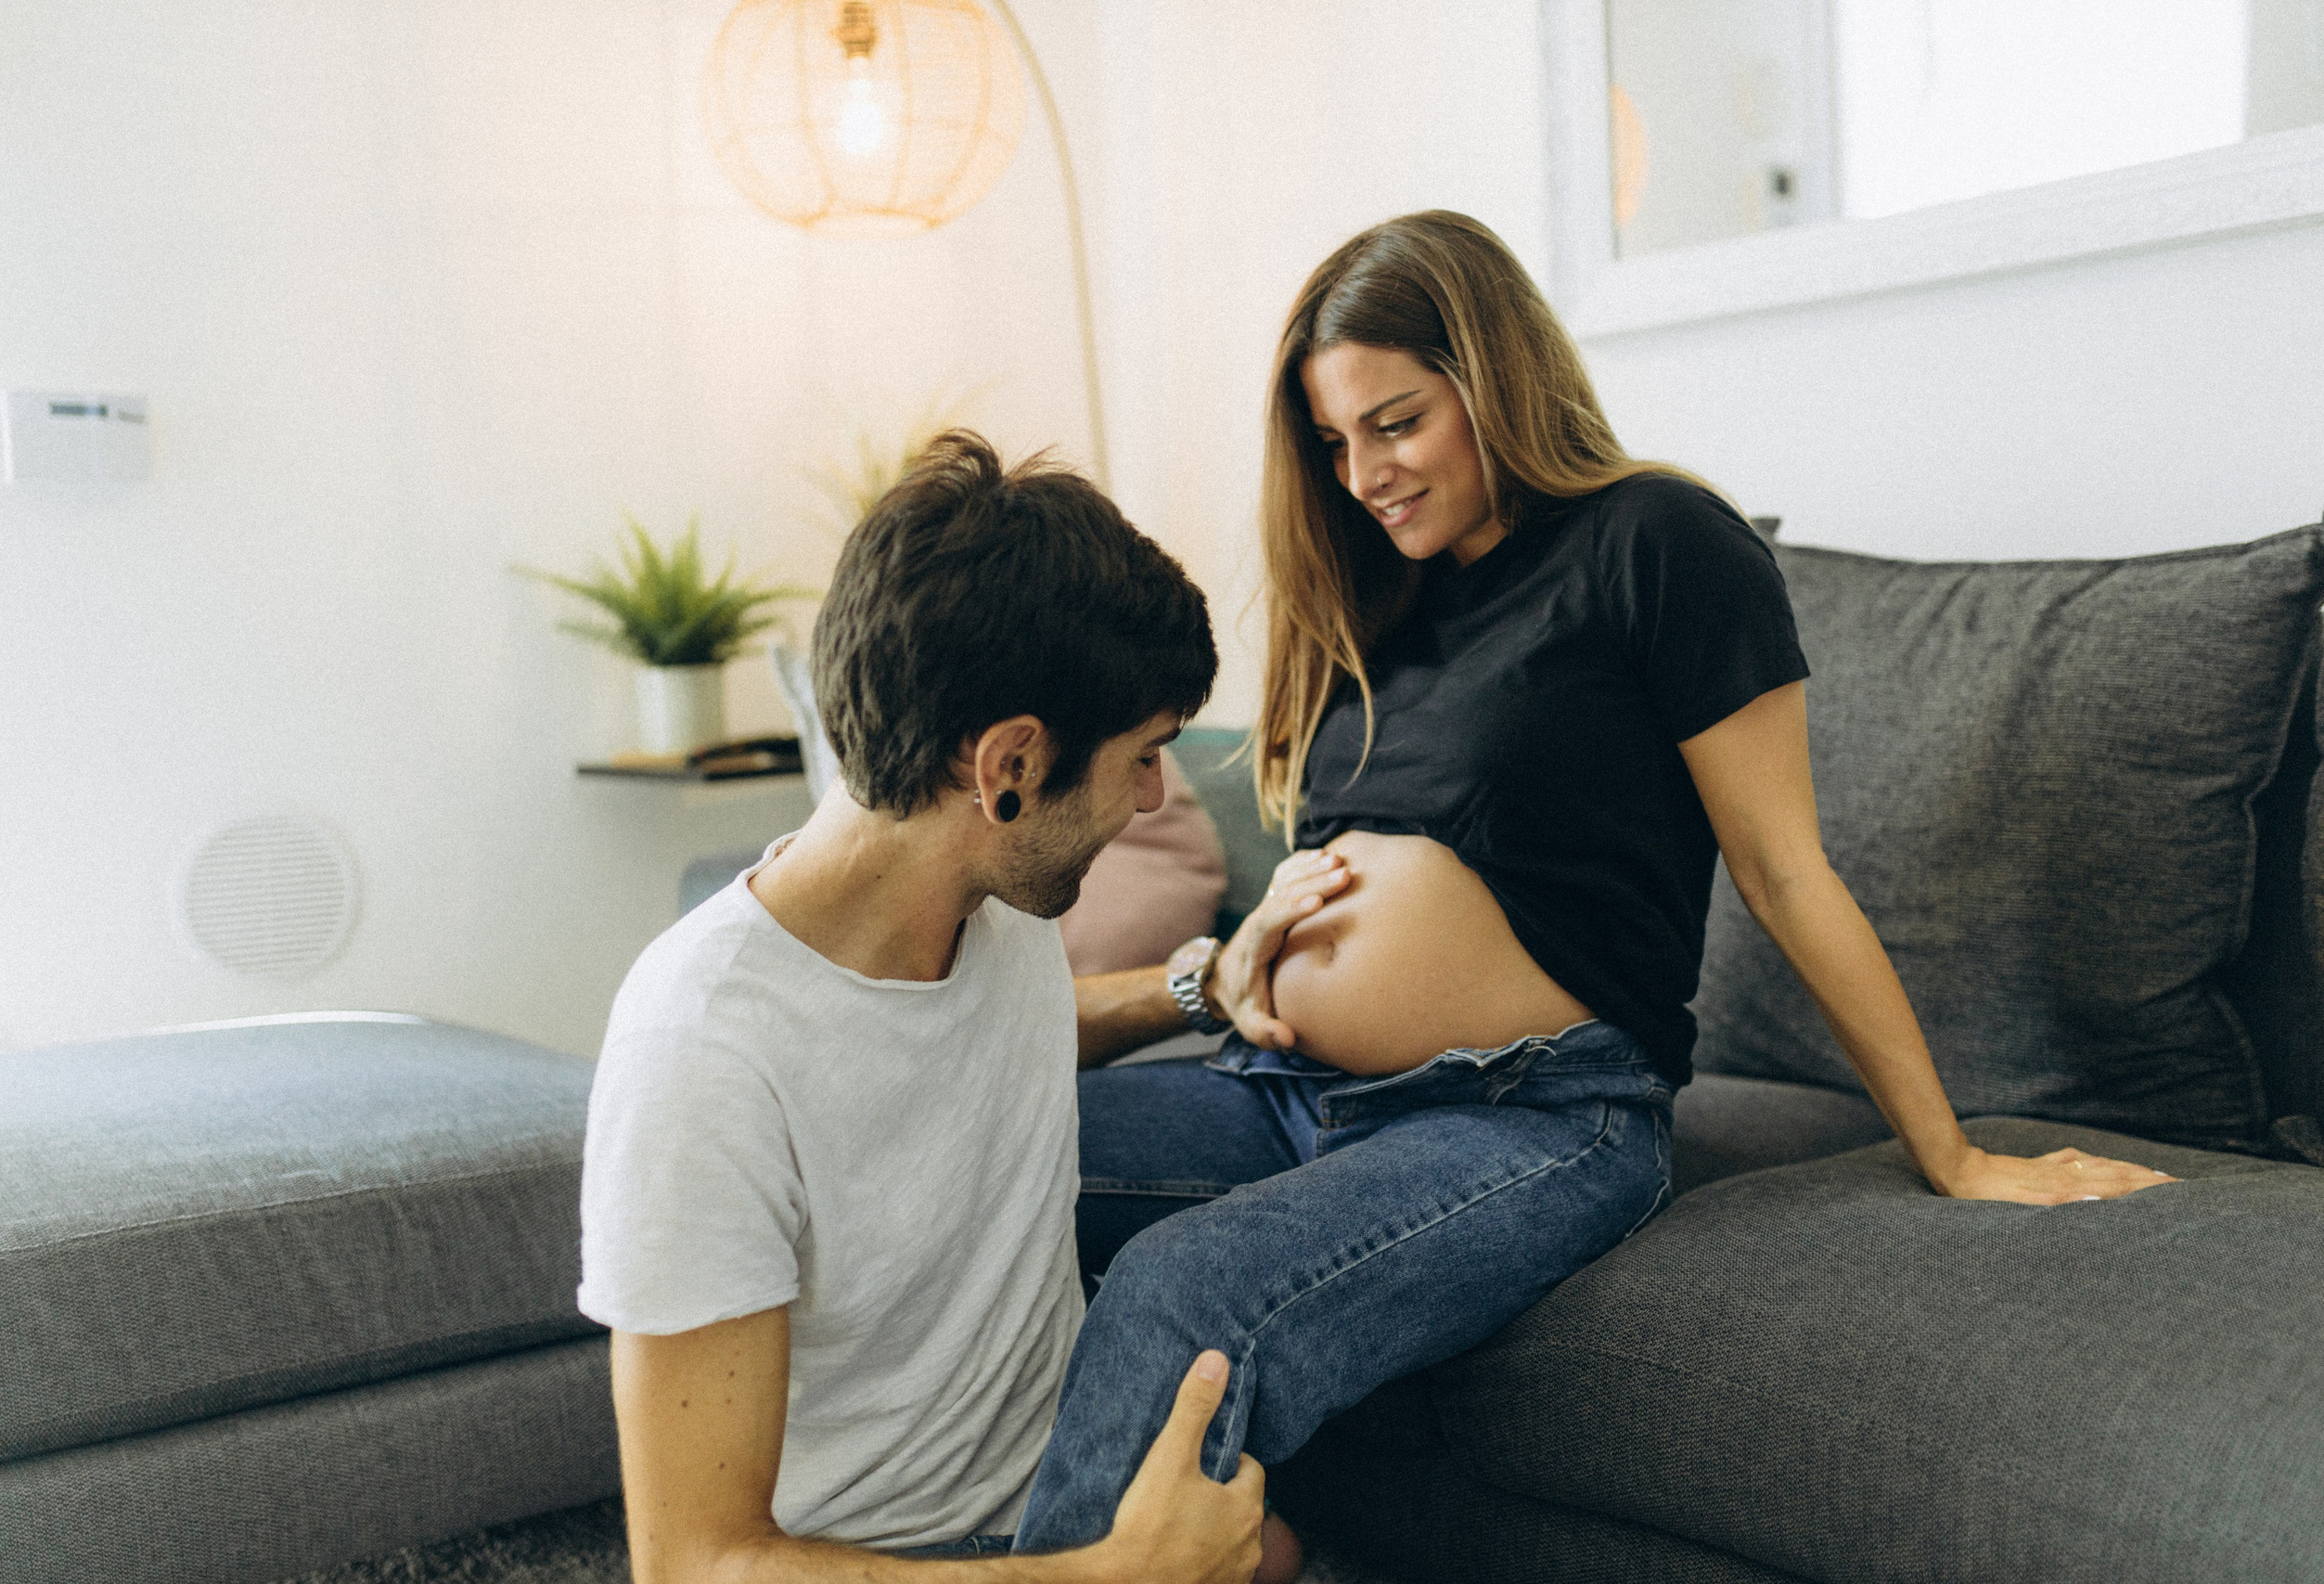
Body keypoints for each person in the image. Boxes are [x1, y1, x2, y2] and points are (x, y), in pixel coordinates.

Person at [1015, 211, 2180, 1564]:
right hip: (1283, 1084)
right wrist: (1253, 941)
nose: (1365, 474)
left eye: (1395, 423)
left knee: (1181, 1282)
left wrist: (1954, 1149)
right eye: (1337, 444)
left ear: (1492, 376)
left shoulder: (1658, 541)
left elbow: (1787, 871)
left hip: (1531, 1114)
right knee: (989, 1158)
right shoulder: (1377, 598)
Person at [577, 433, 1267, 1582]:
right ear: (1007, 763)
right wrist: (1102, 1579)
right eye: (1143, 757)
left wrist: (1196, 986)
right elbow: (692, 1562)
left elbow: (939, 1046)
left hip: (1057, 1486)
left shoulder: (999, 910)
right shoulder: (700, 1051)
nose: (1152, 799)